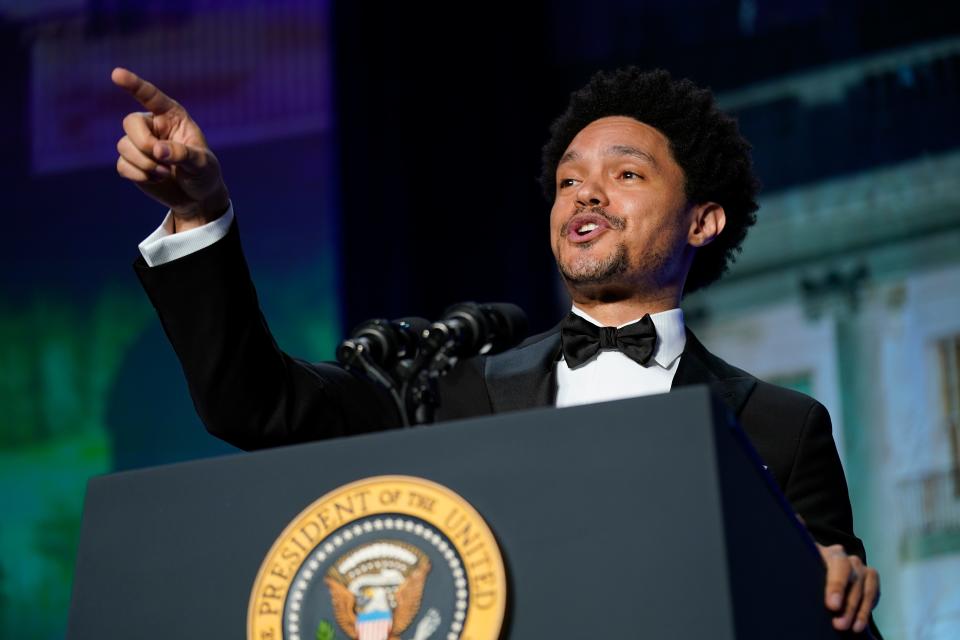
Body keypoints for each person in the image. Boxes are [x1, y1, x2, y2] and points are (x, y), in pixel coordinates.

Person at [112, 65, 881, 634]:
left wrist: (829, 593)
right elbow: (256, 402)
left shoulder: (783, 427)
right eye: (569, 180)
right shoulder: (447, 392)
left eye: (626, 174)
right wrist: (200, 213)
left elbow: (840, 611)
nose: (585, 193)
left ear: (702, 222)